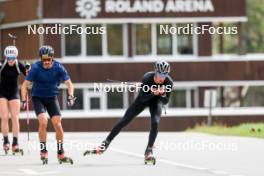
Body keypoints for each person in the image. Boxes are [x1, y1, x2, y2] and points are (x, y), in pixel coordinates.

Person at [84, 60, 173, 163]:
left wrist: (162, 94)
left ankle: (149, 150)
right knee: (124, 120)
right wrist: (154, 92)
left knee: (155, 122)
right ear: (155, 71)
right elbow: (143, 98)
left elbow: (166, 101)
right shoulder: (147, 78)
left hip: (156, 102)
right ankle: (105, 143)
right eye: (160, 74)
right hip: (143, 100)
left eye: (165, 74)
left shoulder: (169, 82)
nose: (162, 77)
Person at [21, 45, 76, 164]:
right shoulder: (35, 67)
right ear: (41, 58)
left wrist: (71, 96)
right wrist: (24, 100)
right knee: (43, 122)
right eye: (44, 59)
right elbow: (25, 85)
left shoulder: (58, 67)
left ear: (52, 58)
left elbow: (69, 84)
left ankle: (60, 153)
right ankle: (43, 150)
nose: (46, 62)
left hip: (52, 98)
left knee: (58, 124)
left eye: (48, 59)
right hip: (38, 98)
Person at [0, 45, 28, 155]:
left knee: (15, 118)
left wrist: (28, 69)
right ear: (6, 57)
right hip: (2, 92)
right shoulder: (2, 64)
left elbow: (29, 77)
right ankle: (6, 141)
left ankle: (15, 143)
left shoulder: (18, 64)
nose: (10, 60)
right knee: (5, 117)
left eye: (12, 58)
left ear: (16, 57)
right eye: (8, 58)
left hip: (14, 92)